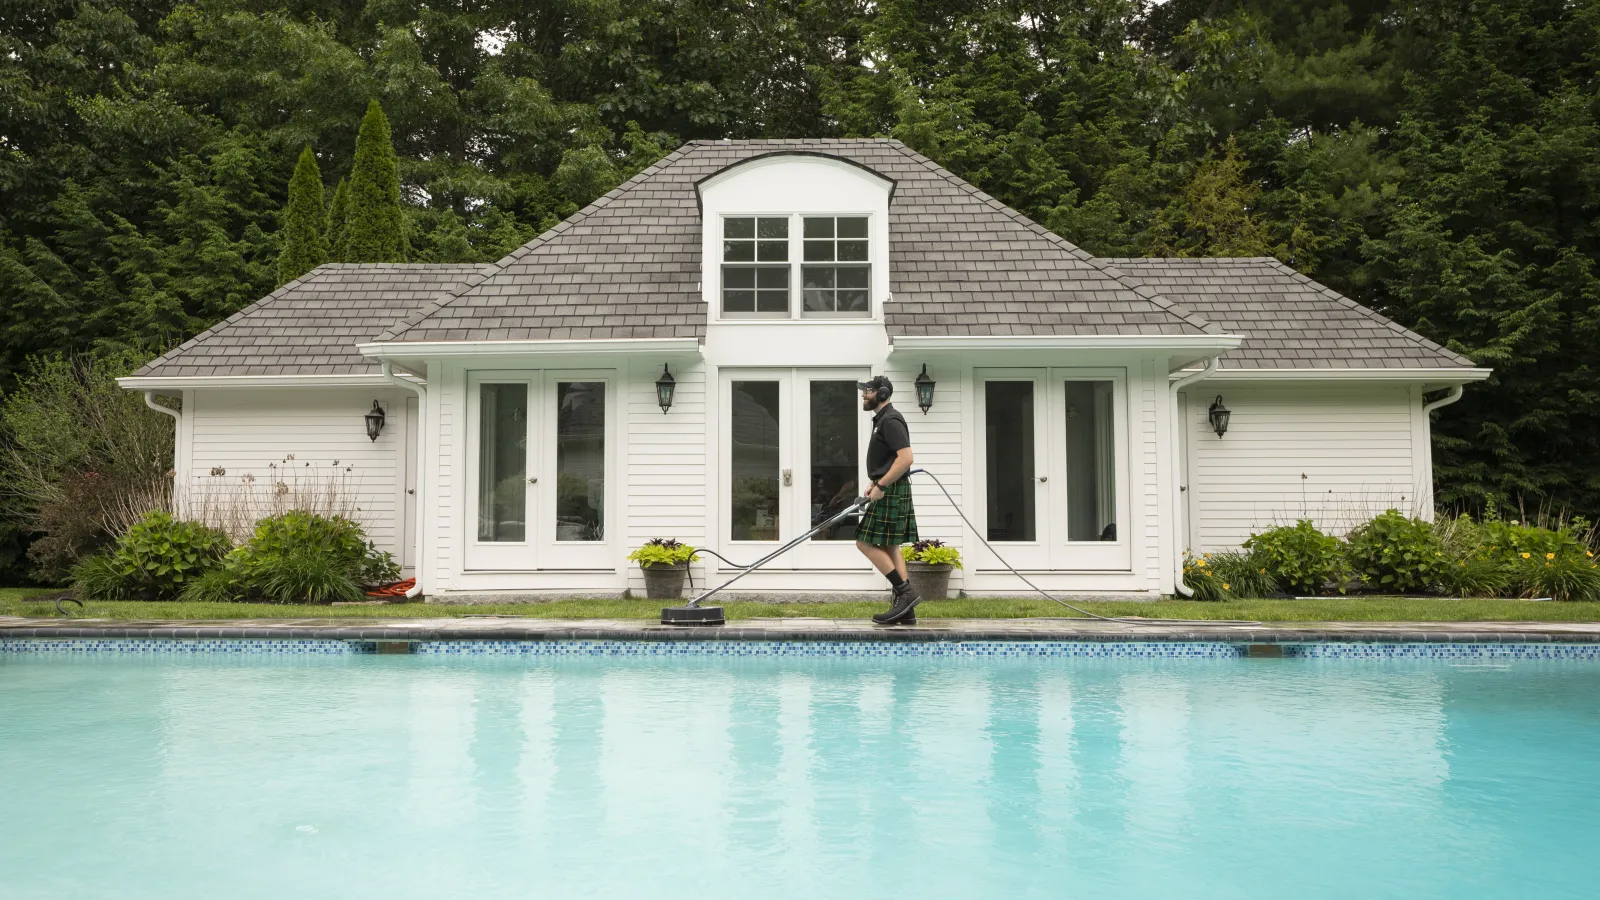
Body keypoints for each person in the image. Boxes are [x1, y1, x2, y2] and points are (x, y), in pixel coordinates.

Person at [853, 375, 921, 624]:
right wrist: (875, 480)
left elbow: (906, 458)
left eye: (868, 391)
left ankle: (905, 594)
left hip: (891, 490)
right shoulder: (882, 419)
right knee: (890, 546)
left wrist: (882, 484)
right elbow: (891, 458)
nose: (863, 395)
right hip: (888, 488)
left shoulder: (891, 419)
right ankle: (907, 610)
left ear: (882, 394)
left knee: (864, 543)